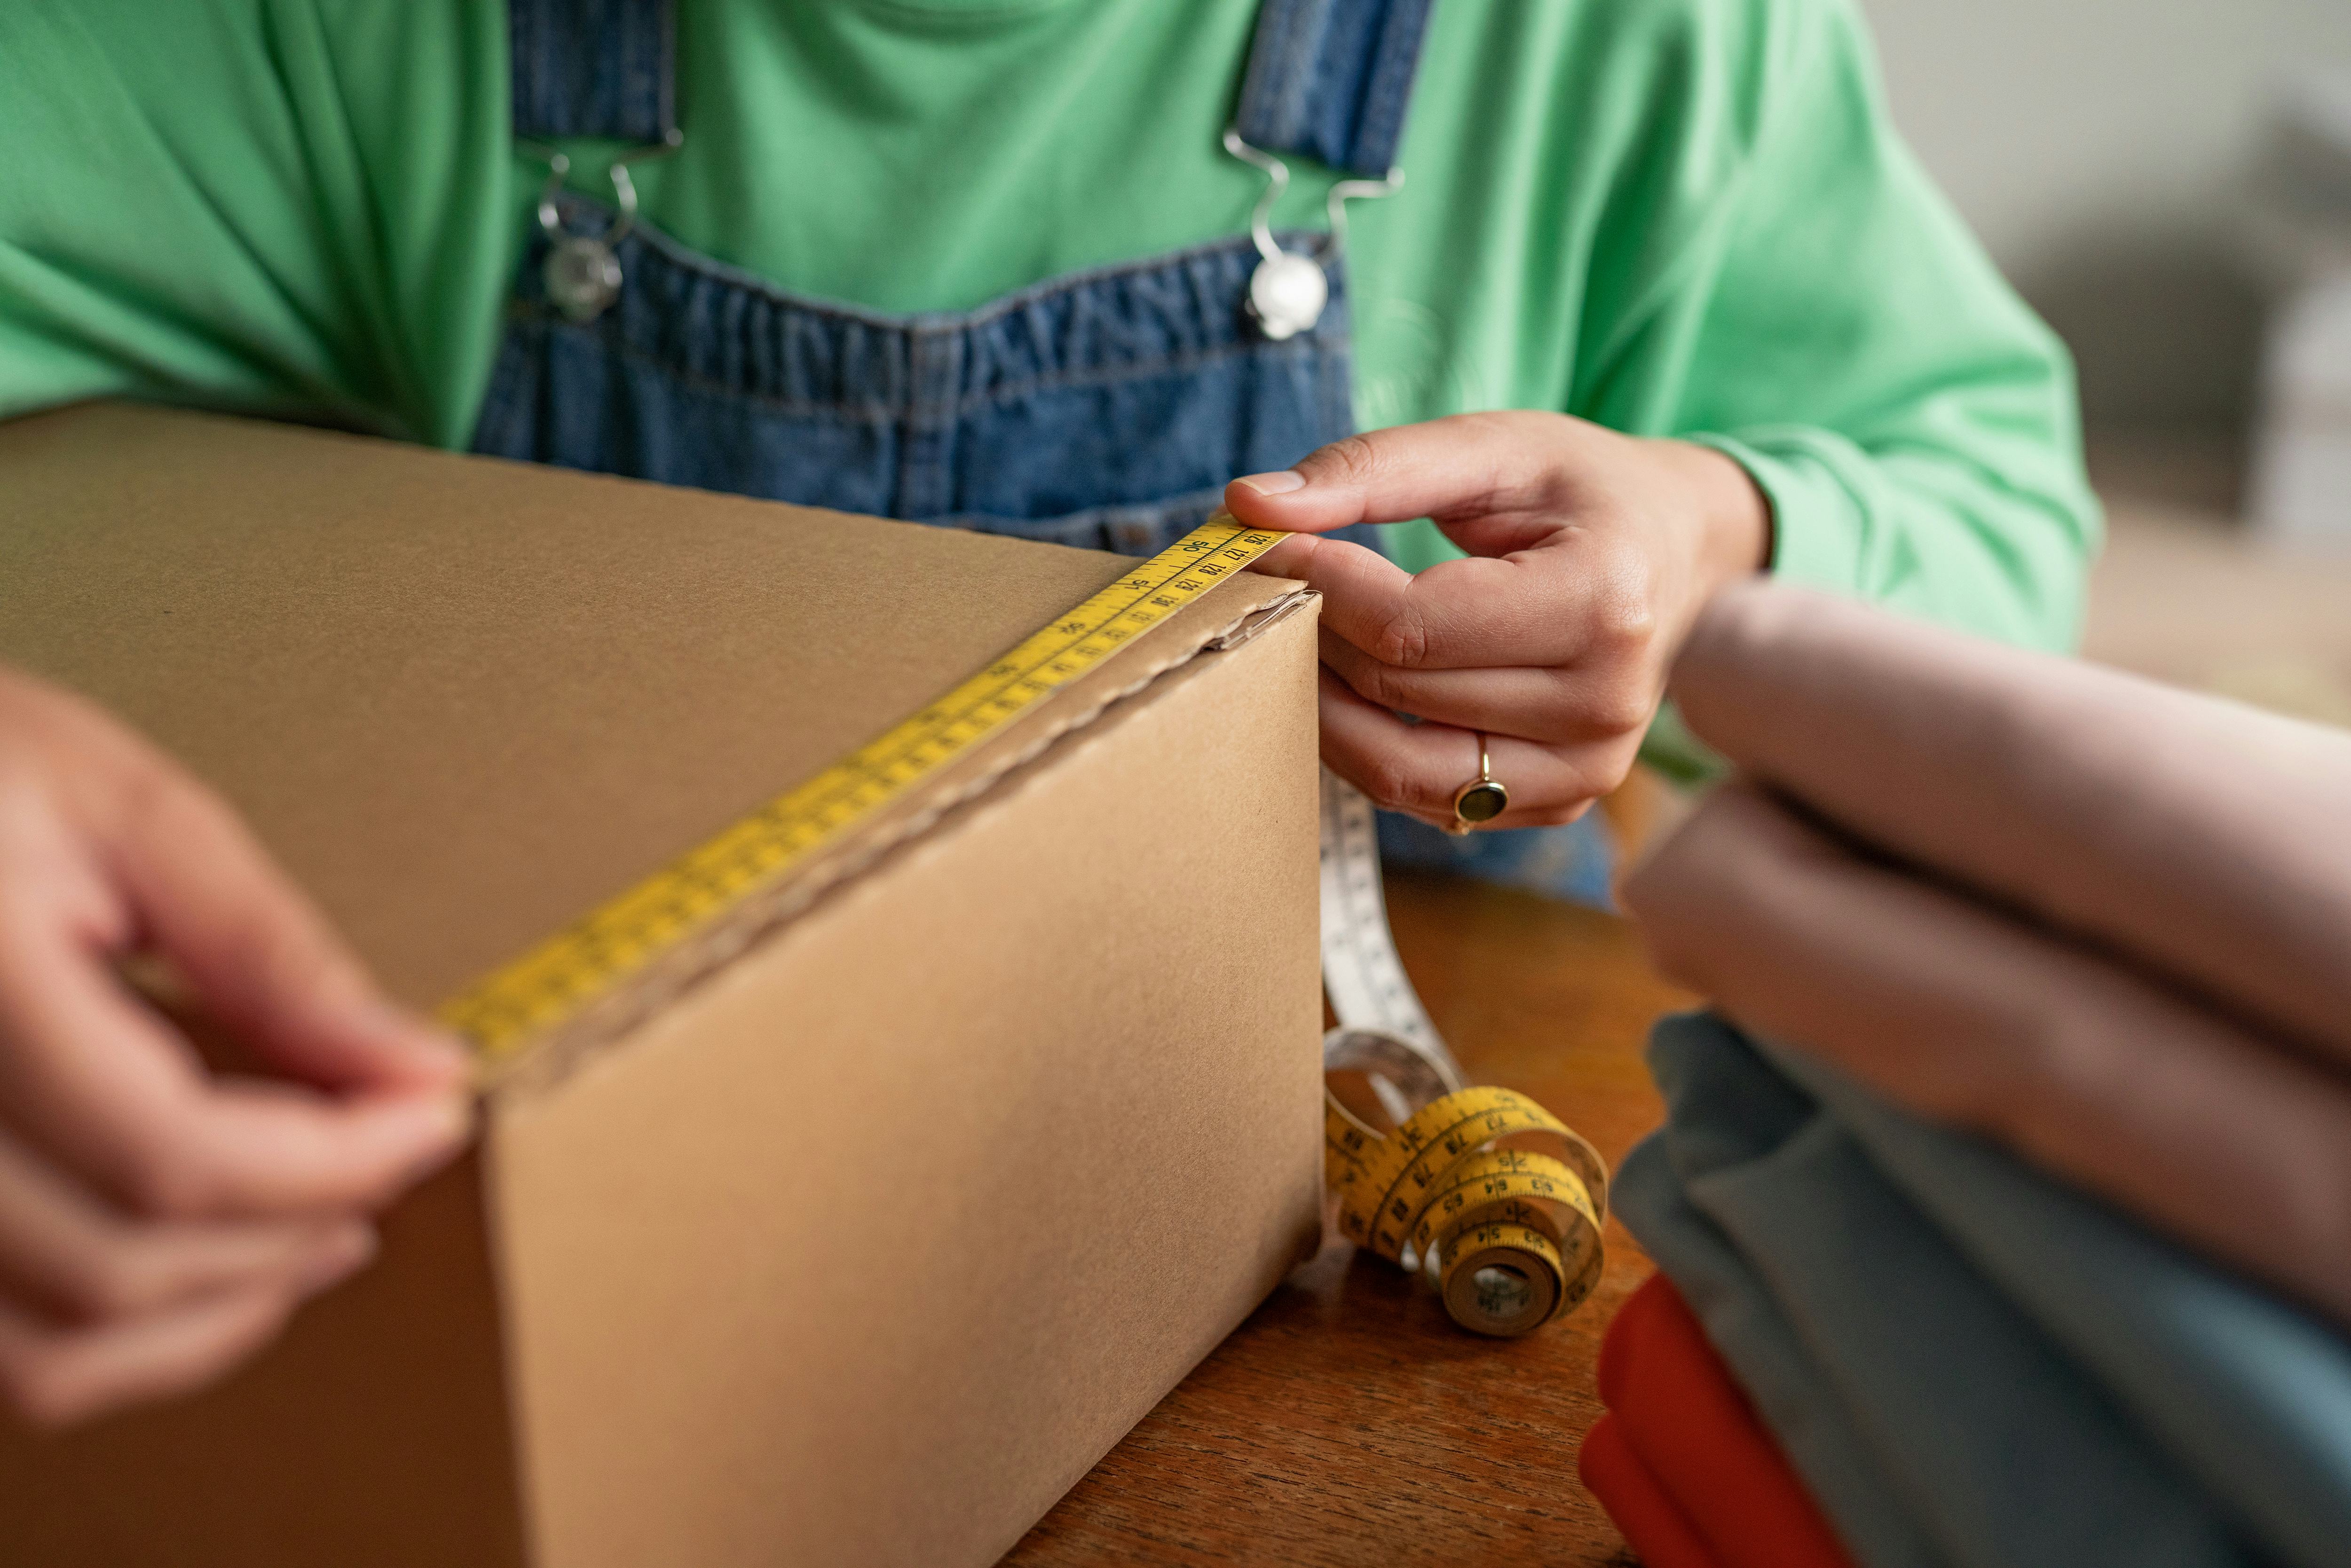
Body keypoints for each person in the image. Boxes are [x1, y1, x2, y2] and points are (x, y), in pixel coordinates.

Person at [0, 0, 2094, 1423]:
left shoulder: (1616, 44)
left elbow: (1998, 523)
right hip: (646, 1267)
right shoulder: (286, 42)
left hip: (1344, 1276)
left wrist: (1720, 545)